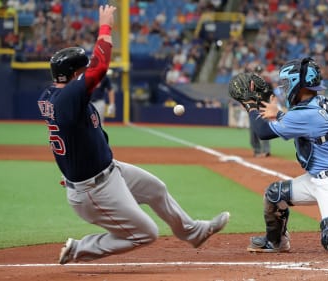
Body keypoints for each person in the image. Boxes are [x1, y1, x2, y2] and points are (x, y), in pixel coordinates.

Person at [36, 5, 229, 265]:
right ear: (73, 75)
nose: (86, 74)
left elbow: (71, 134)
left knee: (156, 189)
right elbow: (100, 64)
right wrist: (106, 26)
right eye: (81, 71)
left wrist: (70, 166)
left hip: (108, 171)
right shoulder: (69, 97)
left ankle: (193, 232)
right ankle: (81, 248)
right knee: (146, 233)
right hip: (94, 189)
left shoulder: (53, 95)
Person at [243, 57, 328, 253]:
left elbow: (263, 132)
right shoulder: (319, 103)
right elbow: (300, 121)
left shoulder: (308, 113)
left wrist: (250, 104)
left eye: (286, 83)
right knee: (274, 195)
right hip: (318, 178)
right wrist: (277, 113)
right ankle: (275, 242)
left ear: (298, 84)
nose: (283, 88)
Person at [250, 65, 271, 157]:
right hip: (254, 110)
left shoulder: (267, 85)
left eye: (260, 72)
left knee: (265, 130)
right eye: (257, 72)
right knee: (254, 131)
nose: (259, 74)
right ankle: (257, 150)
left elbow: (271, 96)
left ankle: (266, 150)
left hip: (264, 109)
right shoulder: (250, 85)